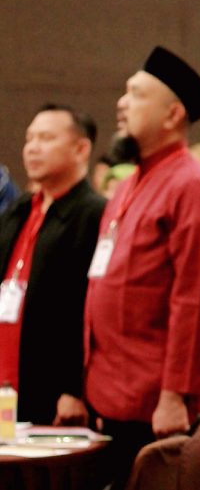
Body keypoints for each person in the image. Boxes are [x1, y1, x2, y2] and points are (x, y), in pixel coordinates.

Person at [83, 46, 200, 490]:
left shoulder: (192, 186)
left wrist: (175, 396)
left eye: (136, 94)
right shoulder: (129, 184)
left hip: (158, 405)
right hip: (113, 392)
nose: (121, 103)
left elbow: (199, 302)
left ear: (172, 114)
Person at [0, 104, 106, 425]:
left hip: (52, 386)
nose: (32, 147)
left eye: (46, 138)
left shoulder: (95, 214)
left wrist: (74, 388)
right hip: (6, 376)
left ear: (81, 148)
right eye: (29, 138)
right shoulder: (20, 209)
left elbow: (91, 310)